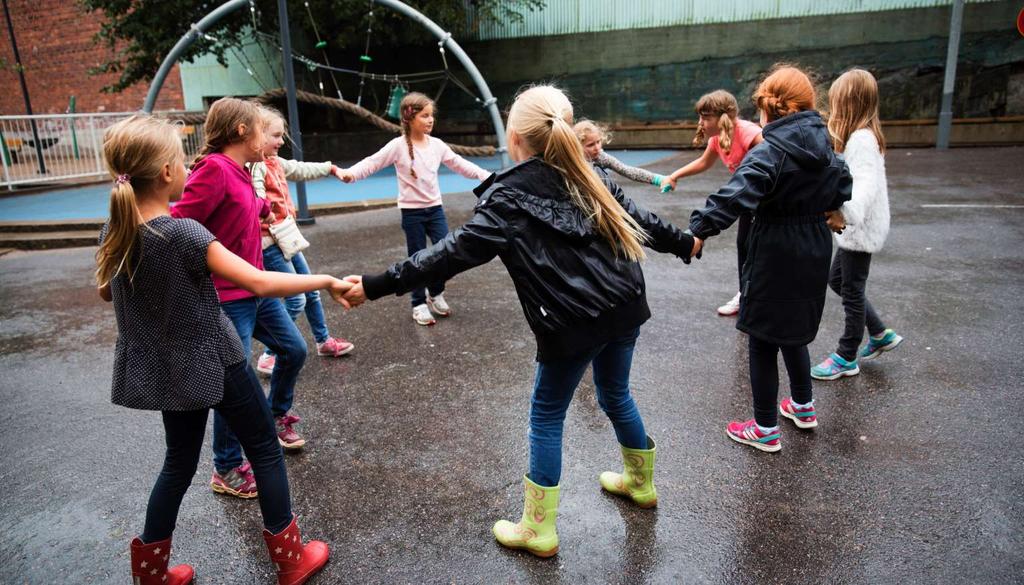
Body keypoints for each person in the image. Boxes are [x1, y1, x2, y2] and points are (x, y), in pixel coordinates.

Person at [342, 86, 700, 557]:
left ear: (515, 137)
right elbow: (645, 222)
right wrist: (686, 243)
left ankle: (538, 529)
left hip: (571, 324)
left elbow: (446, 255)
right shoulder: (589, 175)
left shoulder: (510, 198)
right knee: (616, 394)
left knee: (548, 415)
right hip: (624, 306)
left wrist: (374, 285)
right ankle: (641, 485)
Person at [96, 114, 338, 585]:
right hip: (216, 357)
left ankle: (151, 575)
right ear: (166, 173)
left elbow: (110, 293)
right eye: (179, 161)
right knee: (265, 448)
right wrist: (325, 281)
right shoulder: (183, 234)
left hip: (167, 369)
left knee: (178, 463)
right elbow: (259, 280)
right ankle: (291, 561)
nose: (187, 167)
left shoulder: (115, 231)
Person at [688, 66, 852, 452]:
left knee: (762, 337)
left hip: (775, 248)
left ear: (767, 108)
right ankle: (803, 406)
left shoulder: (772, 150)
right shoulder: (825, 144)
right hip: (813, 246)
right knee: (794, 330)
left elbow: (736, 193)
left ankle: (764, 428)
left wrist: (699, 230)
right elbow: (842, 179)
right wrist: (832, 207)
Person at [171, 98, 310, 497]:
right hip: (228, 294)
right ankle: (227, 467)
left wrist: (264, 207)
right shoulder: (214, 169)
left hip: (255, 288)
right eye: (260, 128)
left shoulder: (242, 170)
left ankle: (274, 417)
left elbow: (241, 203)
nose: (269, 137)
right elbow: (181, 222)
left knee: (294, 349)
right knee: (236, 383)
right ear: (241, 131)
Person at [337, 92, 492, 326]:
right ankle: (418, 303)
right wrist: (351, 174)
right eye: (425, 116)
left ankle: (435, 292)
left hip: (435, 209)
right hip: (412, 214)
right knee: (417, 259)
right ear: (410, 118)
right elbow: (372, 162)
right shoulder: (398, 146)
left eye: (432, 116)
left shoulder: (437, 146)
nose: (430, 120)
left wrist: (486, 176)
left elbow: (460, 164)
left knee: (447, 255)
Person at [811, 69, 903, 380]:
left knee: (850, 289)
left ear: (849, 103)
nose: (832, 109)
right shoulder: (861, 137)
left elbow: (864, 186)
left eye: (836, 102)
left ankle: (846, 355)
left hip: (860, 230)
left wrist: (844, 214)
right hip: (858, 230)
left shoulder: (862, 140)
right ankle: (879, 333)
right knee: (838, 281)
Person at [251, 106, 355, 378]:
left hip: (288, 235)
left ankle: (323, 341)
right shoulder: (256, 167)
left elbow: (300, 168)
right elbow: (257, 199)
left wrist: (331, 168)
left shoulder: (276, 162)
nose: (281, 141)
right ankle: (269, 355)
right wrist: (265, 210)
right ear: (257, 135)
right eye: (275, 135)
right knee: (295, 299)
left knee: (311, 291)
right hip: (270, 242)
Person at [662, 90, 764, 316]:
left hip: (766, 201)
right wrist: (675, 175)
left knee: (760, 248)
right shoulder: (718, 138)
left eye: (706, 117)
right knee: (744, 245)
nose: (701, 122)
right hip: (749, 201)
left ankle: (758, 299)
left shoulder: (750, 134)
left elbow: (774, 158)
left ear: (723, 118)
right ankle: (745, 295)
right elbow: (703, 162)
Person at [573, 119, 668, 188]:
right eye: (590, 145)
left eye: (598, 142)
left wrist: (658, 179)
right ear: (577, 145)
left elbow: (627, 170)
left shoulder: (601, 157)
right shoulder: (570, 159)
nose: (597, 148)